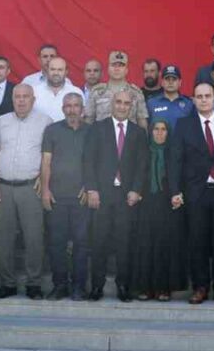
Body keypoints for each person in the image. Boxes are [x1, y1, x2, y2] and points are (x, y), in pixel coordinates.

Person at [173, 83, 214, 304]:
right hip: (195, 194)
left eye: (207, 96)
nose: (203, 100)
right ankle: (200, 287)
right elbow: (176, 160)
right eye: (199, 96)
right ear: (193, 100)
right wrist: (176, 190)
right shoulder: (183, 125)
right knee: (197, 243)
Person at [84, 89, 148, 301]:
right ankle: (97, 286)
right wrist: (91, 189)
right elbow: (88, 160)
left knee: (125, 243)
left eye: (126, 103)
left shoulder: (138, 132)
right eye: (118, 102)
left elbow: (142, 164)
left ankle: (123, 286)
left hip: (126, 197)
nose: (122, 106)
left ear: (131, 106)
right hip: (101, 195)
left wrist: (137, 189)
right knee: (99, 242)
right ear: (112, 104)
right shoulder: (97, 128)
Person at [0, 83, 50, 300]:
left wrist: (43, 179)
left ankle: (34, 284)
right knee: (4, 239)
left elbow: (48, 156)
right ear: (12, 99)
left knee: (34, 238)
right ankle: (7, 284)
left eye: (26, 96)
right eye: (18, 96)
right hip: (4, 188)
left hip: (30, 189)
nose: (21, 100)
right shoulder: (0, 122)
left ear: (33, 99)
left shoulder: (45, 122)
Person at [41, 92, 93, 300]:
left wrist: (89, 186)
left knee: (82, 243)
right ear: (63, 109)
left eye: (76, 105)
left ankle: (79, 286)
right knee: (57, 243)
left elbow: (96, 162)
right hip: (56, 197)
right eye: (68, 106)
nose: (72, 110)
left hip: (81, 198)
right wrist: (45, 190)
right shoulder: (52, 130)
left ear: (82, 109)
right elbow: (46, 162)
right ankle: (60, 285)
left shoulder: (91, 131)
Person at [132, 119, 188, 300]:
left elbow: (182, 175)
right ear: (150, 131)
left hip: (168, 203)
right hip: (146, 202)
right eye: (156, 129)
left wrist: (179, 194)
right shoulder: (143, 151)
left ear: (168, 132)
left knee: (164, 245)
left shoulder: (174, 151)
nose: (159, 133)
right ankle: (145, 287)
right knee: (145, 244)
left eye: (163, 129)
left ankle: (163, 287)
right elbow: (135, 173)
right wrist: (136, 191)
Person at [86, 50, 148, 127]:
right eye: (113, 65)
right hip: (101, 134)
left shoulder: (136, 93)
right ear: (108, 68)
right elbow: (89, 121)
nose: (117, 69)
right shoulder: (97, 92)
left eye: (121, 66)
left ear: (126, 70)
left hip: (128, 134)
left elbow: (142, 122)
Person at [31, 56, 82, 123]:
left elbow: (81, 118)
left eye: (60, 70)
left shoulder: (76, 92)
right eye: (53, 69)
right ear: (47, 70)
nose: (56, 73)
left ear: (66, 72)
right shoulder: (34, 91)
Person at [146, 64, 194, 132]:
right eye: (167, 79)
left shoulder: (189, 104)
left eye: (174, 79)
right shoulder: (151, 103)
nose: (170, 82)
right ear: (162, 82)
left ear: (180, 82)